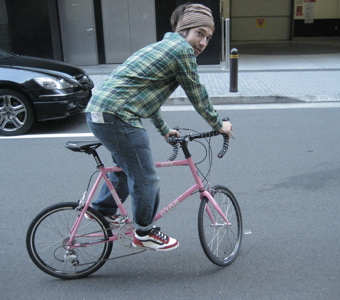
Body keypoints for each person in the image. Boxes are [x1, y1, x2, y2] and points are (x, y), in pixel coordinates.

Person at [85, 3, 233, 252]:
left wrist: (164, 130)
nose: (204, 42)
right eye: (199, 33)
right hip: (118, 116)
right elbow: (197, 93)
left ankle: (102, 210)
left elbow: (148, 97)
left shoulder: (162, 47)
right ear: (184, 30)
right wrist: (219, 124)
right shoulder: (181, 51)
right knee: (146, 177)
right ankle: (145, 232)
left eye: (208, 37)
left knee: (124, 168)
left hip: (99, 112)